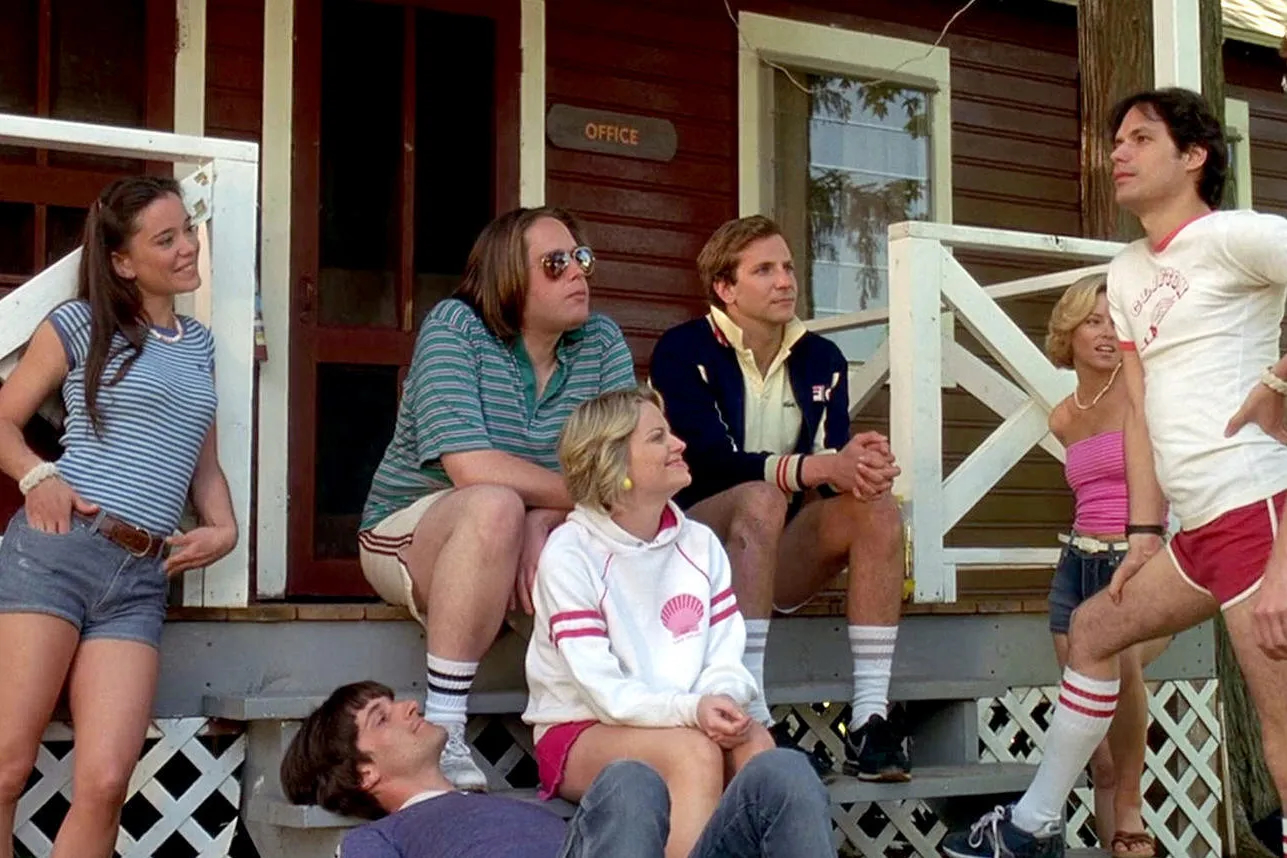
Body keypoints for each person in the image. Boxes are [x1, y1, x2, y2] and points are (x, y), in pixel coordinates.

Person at [943, 87, 1287, 858]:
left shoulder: (1236, 236)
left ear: (1193, 155)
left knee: (1282, 744)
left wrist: (1280, 380)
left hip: (1260, 511)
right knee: (1095, 630)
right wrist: (1140, 532)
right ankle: (1031, 826)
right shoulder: (1126, 271)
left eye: (1138, 139)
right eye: (1114, 142)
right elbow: (1139, 411)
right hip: (1194, 532)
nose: (1117, 154)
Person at [357, 208, 636, 790]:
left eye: (580, 259)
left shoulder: (601, 341)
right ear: (509, 276)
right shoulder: (456, 328)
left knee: (626, 527)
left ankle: (621, 720)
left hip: (528, 535)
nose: (577, 274)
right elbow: (470, 467)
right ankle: (447, 725)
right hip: (412, 528)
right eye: (555, 264)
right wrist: (556, 505)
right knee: (494, 503)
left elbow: (619, 468)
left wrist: (553, 516)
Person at [0, 176, 238, 858]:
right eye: (166, 239)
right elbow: (4, 420)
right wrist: (37, 474)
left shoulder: (198, 345)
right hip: (57, 551)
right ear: (122, 261)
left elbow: (204, 464)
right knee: (7, 767)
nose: (188, 247)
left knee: (105, 781)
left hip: (139, 577)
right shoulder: (79, 324)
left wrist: (224, 529)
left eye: (187, 231)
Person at [648, 215, 908, 781]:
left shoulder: (823, 359)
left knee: (879, 508)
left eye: (787, 267)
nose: (784, 280)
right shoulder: (682, 349)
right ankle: (752, 711)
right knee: (760, 497)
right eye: (763, 270)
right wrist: (819, 466)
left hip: (774, 549)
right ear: (725, 288)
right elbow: (707, 462)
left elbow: (828, 468)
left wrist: (861, 464)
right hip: (692, 550)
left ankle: (869, 719)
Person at [524, 387, 792, 858]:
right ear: (615, 464)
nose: (679, 444)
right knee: (692, 753)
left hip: (684, 718)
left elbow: (724, 656)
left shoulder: (700, 543)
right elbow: (604, 691)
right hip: (582, 728)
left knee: (757, 748)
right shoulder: (570, 553)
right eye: (657, 437)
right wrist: (692, 712)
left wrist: (722, 702)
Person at [281, 681, 835, 858]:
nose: (408, 706)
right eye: (382, 717)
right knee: (631, 779)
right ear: (364, 775)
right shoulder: (381, 838)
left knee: (781, 772)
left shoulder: (498, 804)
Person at [1044, 275, 1170, 858]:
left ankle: (1130, 810)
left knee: (1119, 670)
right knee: (1093, 736)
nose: (1105, 333)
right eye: (1092, 321)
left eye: (1114, 321)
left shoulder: (1144, 390)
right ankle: (1111, 830)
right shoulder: (1063, 417)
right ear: (1067, 334)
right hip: (1076, 567)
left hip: (1139, 560)